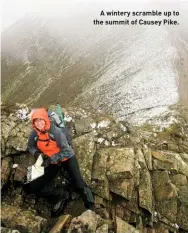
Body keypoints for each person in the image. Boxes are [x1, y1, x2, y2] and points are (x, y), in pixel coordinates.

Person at [27, 108, 94, 216]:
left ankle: (91, 209)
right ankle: (61, 194)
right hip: (51, 162)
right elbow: (31, 146)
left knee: (78, 182)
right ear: (33, 122)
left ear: (45, 119)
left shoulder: (56, 132)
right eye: (36, 121)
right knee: (34, 185)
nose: (39, 123)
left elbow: (67, 150)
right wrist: (36, 154)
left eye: (41, 120)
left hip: (66, 158)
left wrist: (51, 159)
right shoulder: (34, 133)